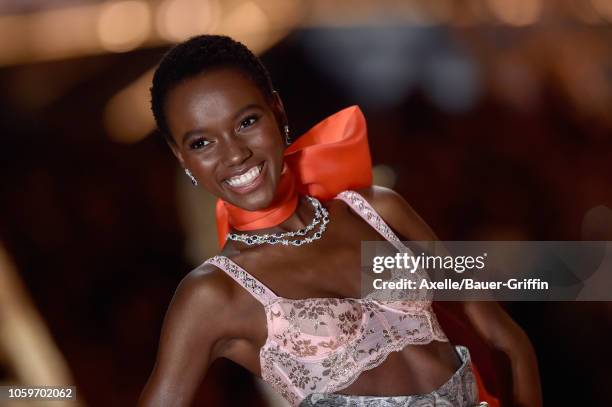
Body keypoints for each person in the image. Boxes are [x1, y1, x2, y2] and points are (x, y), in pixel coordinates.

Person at [138, 35, 542, 407]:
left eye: (246, 122)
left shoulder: (378, 211)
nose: (234, 154)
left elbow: (507, 340)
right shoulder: (213, 294)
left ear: (277, 112)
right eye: (202, 143)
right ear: (181, 157)